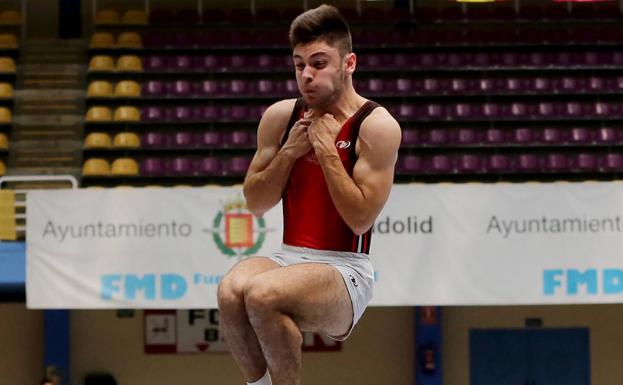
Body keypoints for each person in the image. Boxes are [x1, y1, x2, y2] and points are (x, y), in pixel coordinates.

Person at [217, 4, 401, 385]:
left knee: (264, 295)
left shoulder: (376, 125)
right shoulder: (281, 118)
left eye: (319, 63)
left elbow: (360, 218)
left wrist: (328, 152)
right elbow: (255, 203)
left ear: (349, 63)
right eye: (299, 64)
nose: (307, 75)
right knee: (232, 291)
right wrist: (289, 153)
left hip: (346, 270)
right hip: (290, 259)